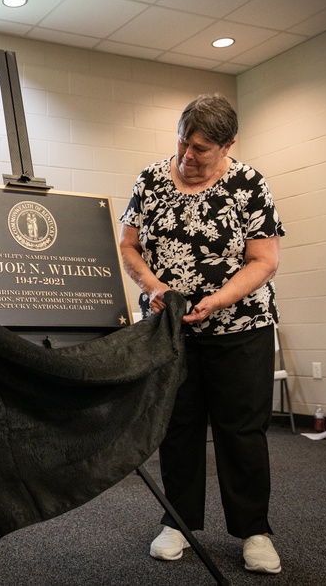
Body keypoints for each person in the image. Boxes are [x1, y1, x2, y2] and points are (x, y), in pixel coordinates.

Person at [118, 94, 285, 574]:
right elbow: (129, 246)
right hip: (170, 330)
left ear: (228, 144)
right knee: (178, 426)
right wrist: (152, 286)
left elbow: (264, 260)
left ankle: (254, 531)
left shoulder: (249, 183)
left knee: (242, 430)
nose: (187, 157)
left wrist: (220, 299)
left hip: (240, 326)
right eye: (182, 144)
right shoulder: (151, 179)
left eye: (201, 150)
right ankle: (179, 522)